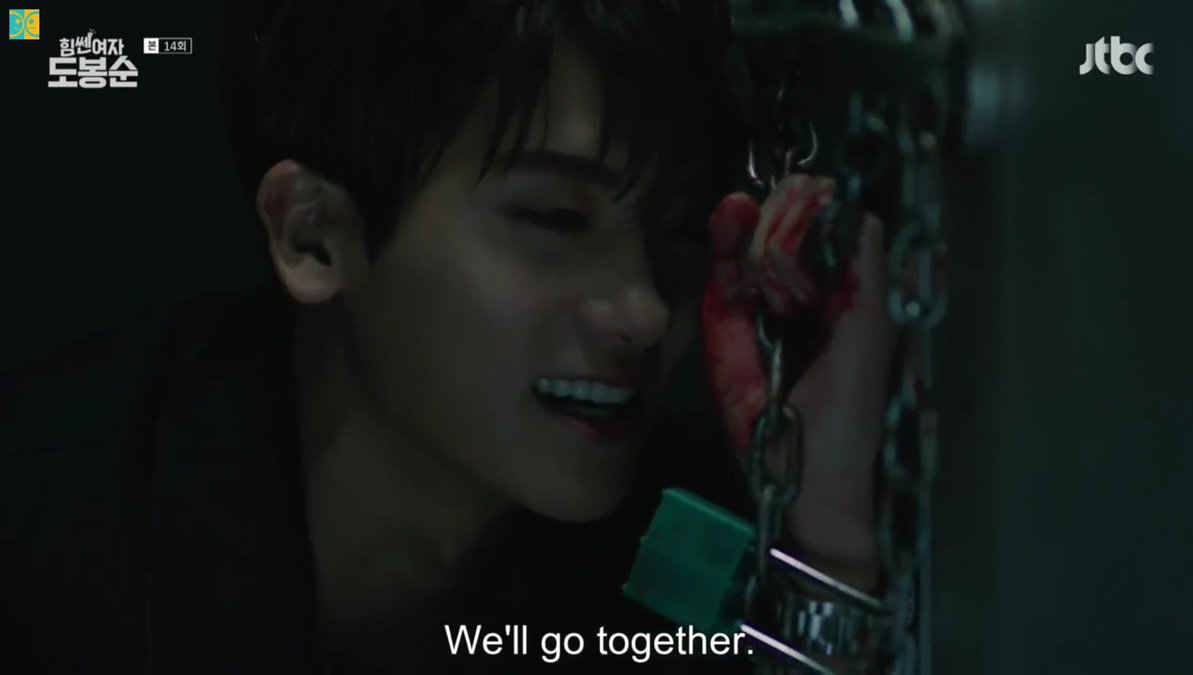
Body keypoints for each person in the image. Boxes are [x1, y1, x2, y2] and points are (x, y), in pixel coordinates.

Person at [3, 1, 895, 673]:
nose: (646, 310)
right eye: (553, 218)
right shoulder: (49, 534)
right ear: (314, 235)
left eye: (673, 230)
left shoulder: (686, 550)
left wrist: (827, 543)